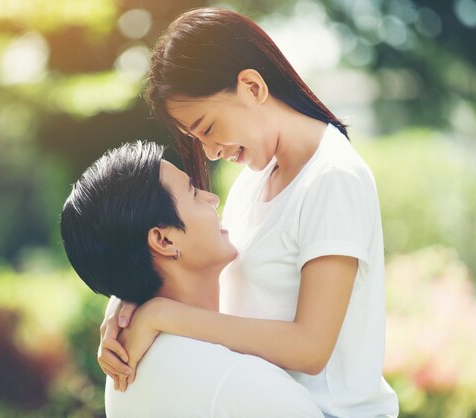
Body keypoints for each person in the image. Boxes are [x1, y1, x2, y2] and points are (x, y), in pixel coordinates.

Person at [98, 8, 400, 418]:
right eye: (195, 137)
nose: (209, 151)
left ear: (252, 87)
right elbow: (197, 265)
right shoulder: (253, 181)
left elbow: (310, 348)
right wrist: (128, 304)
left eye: (207, 126)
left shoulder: (333, 179)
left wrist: (163, 315)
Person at [60, 141, 323, 418]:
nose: (213, 198)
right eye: (194, 193)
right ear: (164, 240)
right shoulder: (244, 383)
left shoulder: (124, 375)